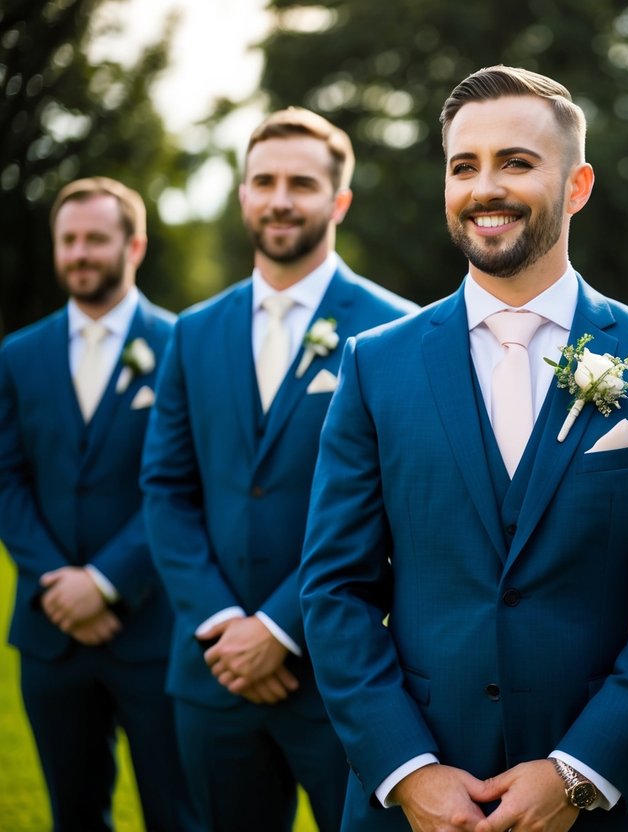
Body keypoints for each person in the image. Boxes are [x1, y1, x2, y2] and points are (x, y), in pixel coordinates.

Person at [297, 65, 628, 832]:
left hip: (614, 798)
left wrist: (578, 772)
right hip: (418, 800)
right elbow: (336, 589)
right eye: (464, 166)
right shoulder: (374, 364)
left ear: (577, 185)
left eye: (517, 163)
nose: (484, 187)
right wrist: (409, 771)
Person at [140, 108, 418, 831]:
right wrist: (224, 624)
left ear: (339, 200)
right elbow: (166, 491)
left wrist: (279, 628)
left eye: (301, 182)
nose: (280, 199)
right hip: (212, 671)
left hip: (342, 680)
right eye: (263, 181)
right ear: (242, 196)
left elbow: (402, 507)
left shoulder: (398, 333)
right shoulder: (193, 331)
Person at [0, 177, 196, 830]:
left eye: (95, 239)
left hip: (152, 630)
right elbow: (7, 481)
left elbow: (182, 484)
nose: (79, 253)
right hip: (49, 633)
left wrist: (108, 582)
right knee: (73, 816)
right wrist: (61, 583)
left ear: (133, 245)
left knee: (177, 814)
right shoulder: (17, 356)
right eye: (68, 240)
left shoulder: (181, 348)